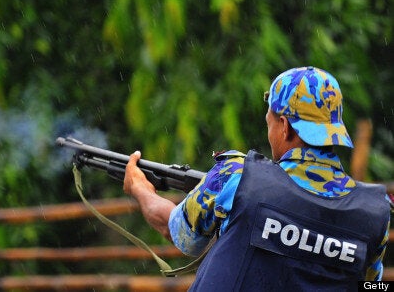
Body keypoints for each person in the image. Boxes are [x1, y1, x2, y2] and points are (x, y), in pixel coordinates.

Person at [123, 66, 390, 290]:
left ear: (284, 127)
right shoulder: (373, 212)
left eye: (270, 122)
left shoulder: (237, 176)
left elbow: (179, 233)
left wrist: (140, 188)